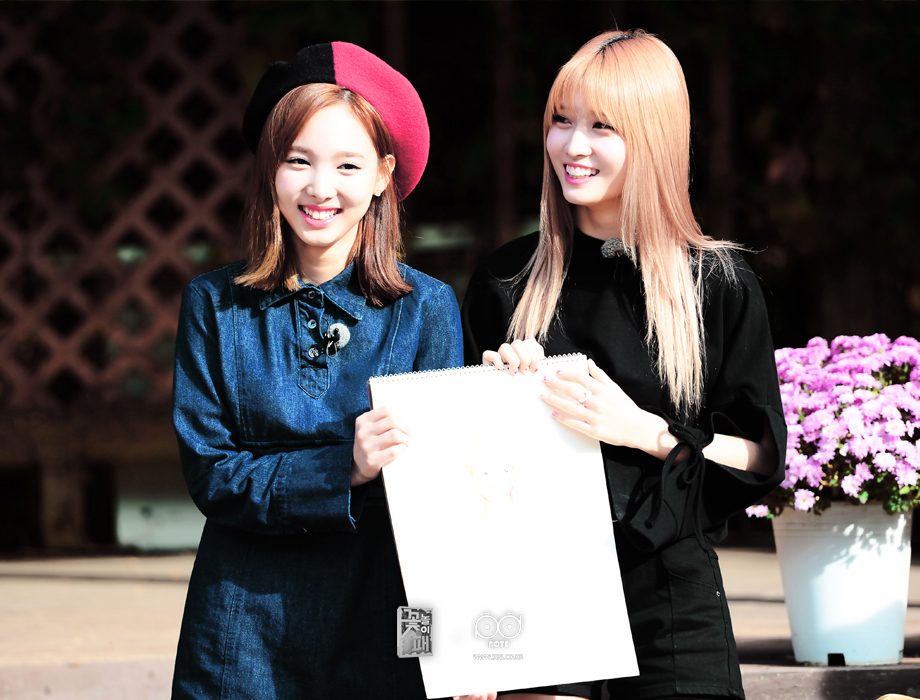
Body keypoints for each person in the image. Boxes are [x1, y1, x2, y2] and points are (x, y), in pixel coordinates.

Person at [462, 30, 786, 700]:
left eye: (601, 127)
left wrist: (643, 430)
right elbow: (467, 474)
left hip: (672, 599)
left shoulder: (716, 283)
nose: (572, 146)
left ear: (655, 137)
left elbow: (760, 458)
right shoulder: (505, 280)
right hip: (536, 595)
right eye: (561, 120)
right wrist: (500, 390)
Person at [171, 42, 466, 700]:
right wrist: (343, 468)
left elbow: (440, 510)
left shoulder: (427, 309)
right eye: (297, 160)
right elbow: (211, 473)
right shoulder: (213, 305)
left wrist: (450, 650)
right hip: (239, 631)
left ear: (383, 174)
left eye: (347, 165)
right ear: (269, 168)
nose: (320, 188)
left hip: (381, 621)